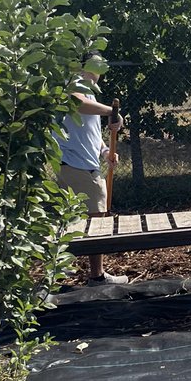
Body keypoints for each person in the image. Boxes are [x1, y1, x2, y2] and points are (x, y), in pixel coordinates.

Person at [57, 54, 129, 286]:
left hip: (82, 164)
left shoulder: (89, 93)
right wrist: (111, 111)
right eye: (99, 62)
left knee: (76, 220)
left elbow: (90, 133)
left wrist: (105, 151)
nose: (103, 67)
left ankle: (62, 273)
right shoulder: (73, 84)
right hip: (78, 166)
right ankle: (96, 276)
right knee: (96, 220)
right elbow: (75, 102)